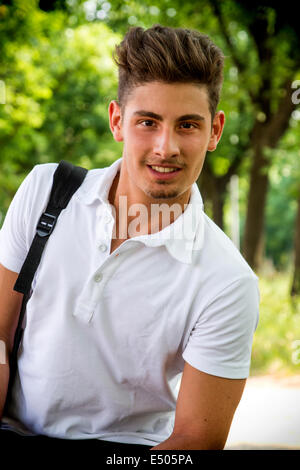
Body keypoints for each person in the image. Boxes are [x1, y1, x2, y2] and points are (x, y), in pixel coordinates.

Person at [0, 24, 259, 450]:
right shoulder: (46, 191)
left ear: (215, 131)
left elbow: (196, 439)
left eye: (188, 125)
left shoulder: (228, 281)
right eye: (148, 121)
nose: (165, 146)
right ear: (117, 121)